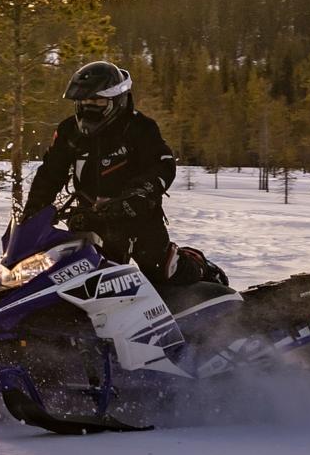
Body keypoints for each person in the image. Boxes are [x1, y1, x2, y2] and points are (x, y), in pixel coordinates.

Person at [25, 61, 227, 287]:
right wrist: (33, 213)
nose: (89, 107)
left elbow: (163, 164)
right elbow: (50, 173)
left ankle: (200, 266)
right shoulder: (69, 132)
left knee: (162, 272)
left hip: (137, 216)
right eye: (84, 101)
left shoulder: (140, 128)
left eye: (98, 101)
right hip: (89, 218)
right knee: (76, 277)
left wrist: (140, 193)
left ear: (117, 100)